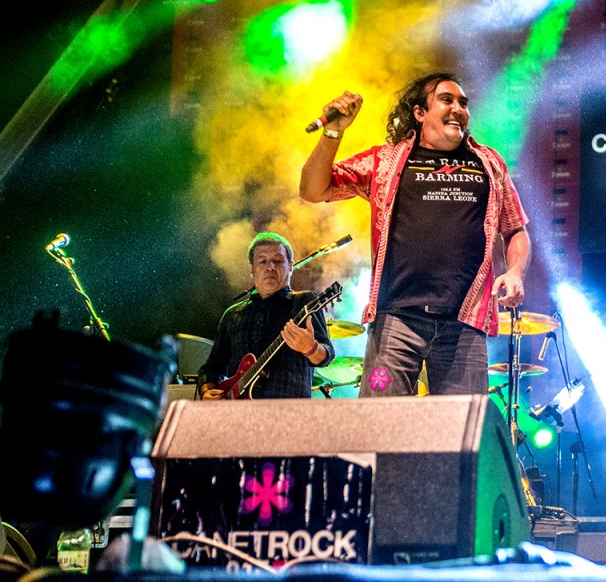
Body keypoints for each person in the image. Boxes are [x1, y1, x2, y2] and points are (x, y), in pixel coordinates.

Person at [298, 71, 530, 397]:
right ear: (420, 113)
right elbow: (313, 189)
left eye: (463, 103)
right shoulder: (385, 161)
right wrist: (333, 132)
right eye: (446, 100)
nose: (458, 109)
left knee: (462, 425)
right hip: (396, 319)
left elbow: (515, 228)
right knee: (379, 418)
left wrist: (516, 271)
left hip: (464, 322)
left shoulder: (489, 164)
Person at [196, 232, 335, 400]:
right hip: (238, 411)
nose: (270, 267)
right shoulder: (232, 315)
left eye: (278, 261)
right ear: (252, 268)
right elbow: (211, 369)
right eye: (262, 261)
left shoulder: (304, 302)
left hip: (288, 410)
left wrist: (311, 348)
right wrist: (206, 391)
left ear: (290, 266)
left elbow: (327, 355)